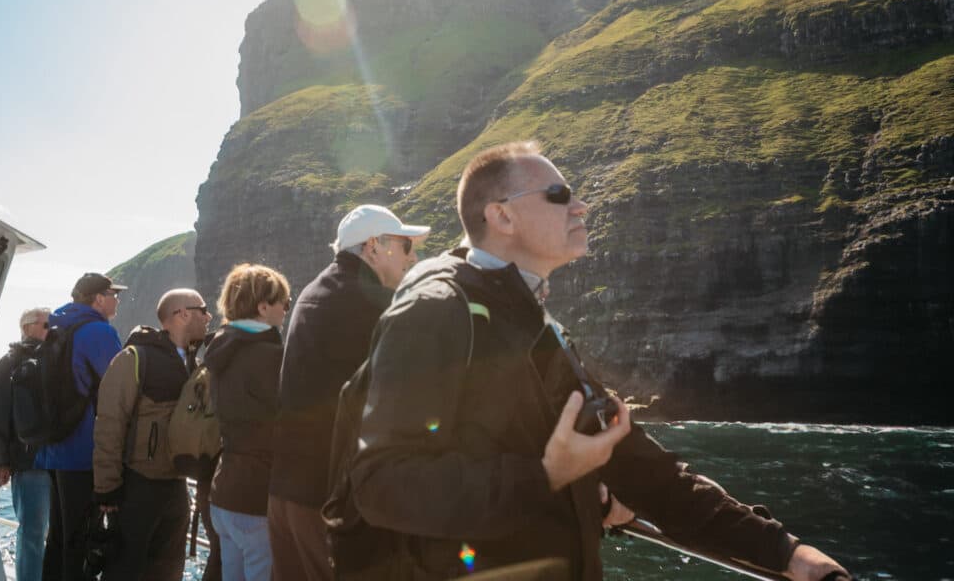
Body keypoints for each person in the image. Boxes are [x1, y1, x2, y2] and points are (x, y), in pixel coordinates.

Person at [339, 141, 850, 580]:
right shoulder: (435, 311)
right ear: (502, 215)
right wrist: (546, 476)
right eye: (559, 195)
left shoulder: (535, 323)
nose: (580, 206)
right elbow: (382, 484)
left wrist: (785, 552)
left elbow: (640, 466)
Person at [268, 204, 429, 581]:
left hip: (288, 491)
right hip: (329, 501)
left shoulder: (316, 290)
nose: (414, 257)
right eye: (407, 246)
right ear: (375, 246)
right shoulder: (369, 302)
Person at [92, 288, 212, 581]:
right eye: (203, 310)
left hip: (177, 486)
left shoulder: (194, 365)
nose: (209, 317)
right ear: (182, 314)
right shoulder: (133, 359)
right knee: (125, 570)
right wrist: (107, 486)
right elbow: (110, 422)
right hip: (138, 485)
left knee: (169, 571)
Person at [204, 264, 292, 581]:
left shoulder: (221, 351)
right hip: (256, 495)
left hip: (224, 492)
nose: (287, 306)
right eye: (283, 300)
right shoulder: (269, 356)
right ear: (263, 306)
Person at [38, 273, 126, 581]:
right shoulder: (98, 332)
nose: (117, 299)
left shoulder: (56, 327)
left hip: (52, 447)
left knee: (59, 536)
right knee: (82, 538)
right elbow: (119, 388)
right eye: (114, 294)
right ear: (98, 299)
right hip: (83, 448)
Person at [0, 307, 52, 581]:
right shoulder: (7, 365)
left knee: (43, 534)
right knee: (32, 533)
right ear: (28, 327)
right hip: (29, 463)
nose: (52, 330)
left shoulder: (54, 363)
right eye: (47, 325)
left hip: (55, 462)